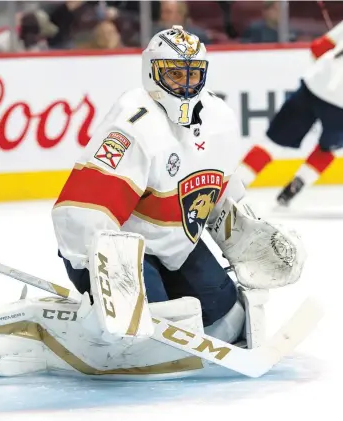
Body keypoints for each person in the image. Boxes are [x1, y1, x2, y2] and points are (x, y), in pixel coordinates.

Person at [52, 26, 304, 346]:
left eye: (193, 75)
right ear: (152, 73)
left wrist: (245, 231)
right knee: (150, 332)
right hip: (116, 250)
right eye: (174, 75)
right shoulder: (133, 125)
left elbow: (216, 195)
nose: (185, 85)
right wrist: (109, 273)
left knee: (227, 319)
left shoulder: (219, 118)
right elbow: (83, 210)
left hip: (174, 245)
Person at [237, 21, 343, 206]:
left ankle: (236, 186)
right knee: (328, 148)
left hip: (314, 86)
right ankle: (299, 182)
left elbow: (317, 49)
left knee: (273, 141)